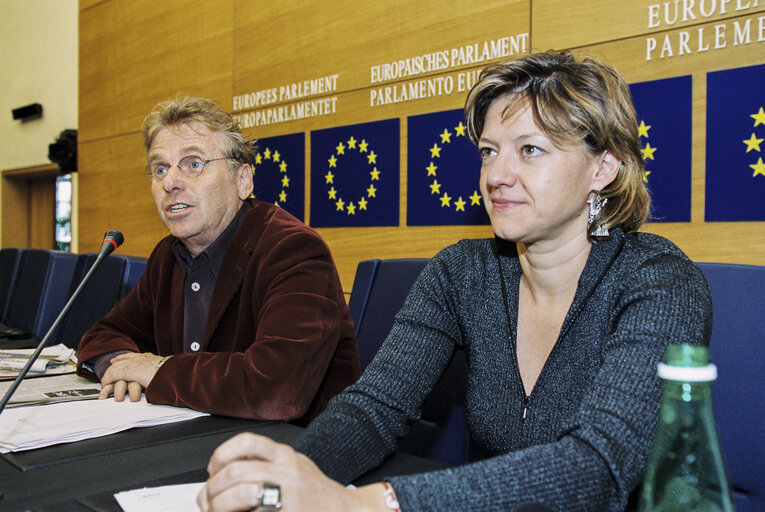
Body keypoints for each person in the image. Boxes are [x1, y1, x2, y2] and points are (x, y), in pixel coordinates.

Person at [197, 50, 712, 511]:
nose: (496, 175)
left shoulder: (660, 282)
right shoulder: (462, 272)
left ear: (603, 168)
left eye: (529, 150)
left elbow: (599, 467)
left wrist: (373, 504)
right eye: (489, 151)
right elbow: (375, 408)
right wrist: (289, 479)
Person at [76, 96, 360, 423]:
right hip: (196, 437)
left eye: (193, 164)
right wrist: (123, 366)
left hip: (297, 452)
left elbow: (274, 390)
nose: (170, 182)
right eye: (160, 168)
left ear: (243, 181)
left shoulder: (293, 250)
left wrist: (156, 369)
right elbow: (103, 334)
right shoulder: (168, 256)